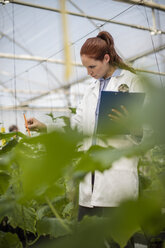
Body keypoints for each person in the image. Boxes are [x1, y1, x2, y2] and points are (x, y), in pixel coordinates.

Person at [27, 31, 144, 247]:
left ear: (106, 59)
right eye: (85, 68)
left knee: (118, 242)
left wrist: (134, 125)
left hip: (116, 183)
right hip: (89, 185)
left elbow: (149, 130)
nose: (89, 72)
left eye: (92, 67)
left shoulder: (131, 82)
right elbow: (77, 127)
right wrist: (45, 127)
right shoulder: (90, 89)